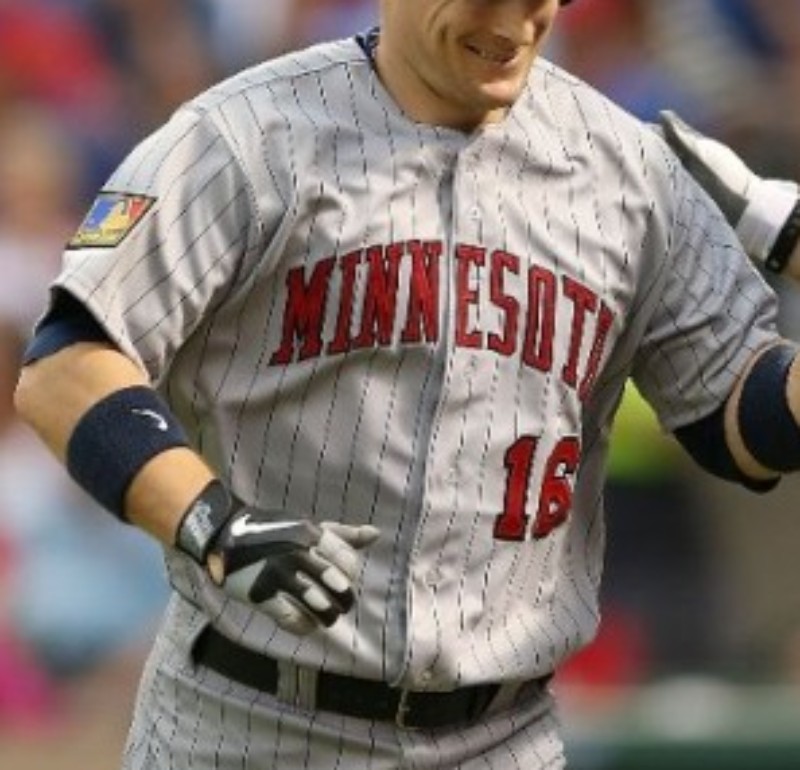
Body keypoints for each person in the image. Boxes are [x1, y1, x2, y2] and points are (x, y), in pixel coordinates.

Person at [12, 0, 800, 767]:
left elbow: (746, 424)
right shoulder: (242, 136)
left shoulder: (632, 172)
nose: (515, 20)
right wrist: (213, 524)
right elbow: (68, 364)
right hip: (250, 723)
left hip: (505, 734)